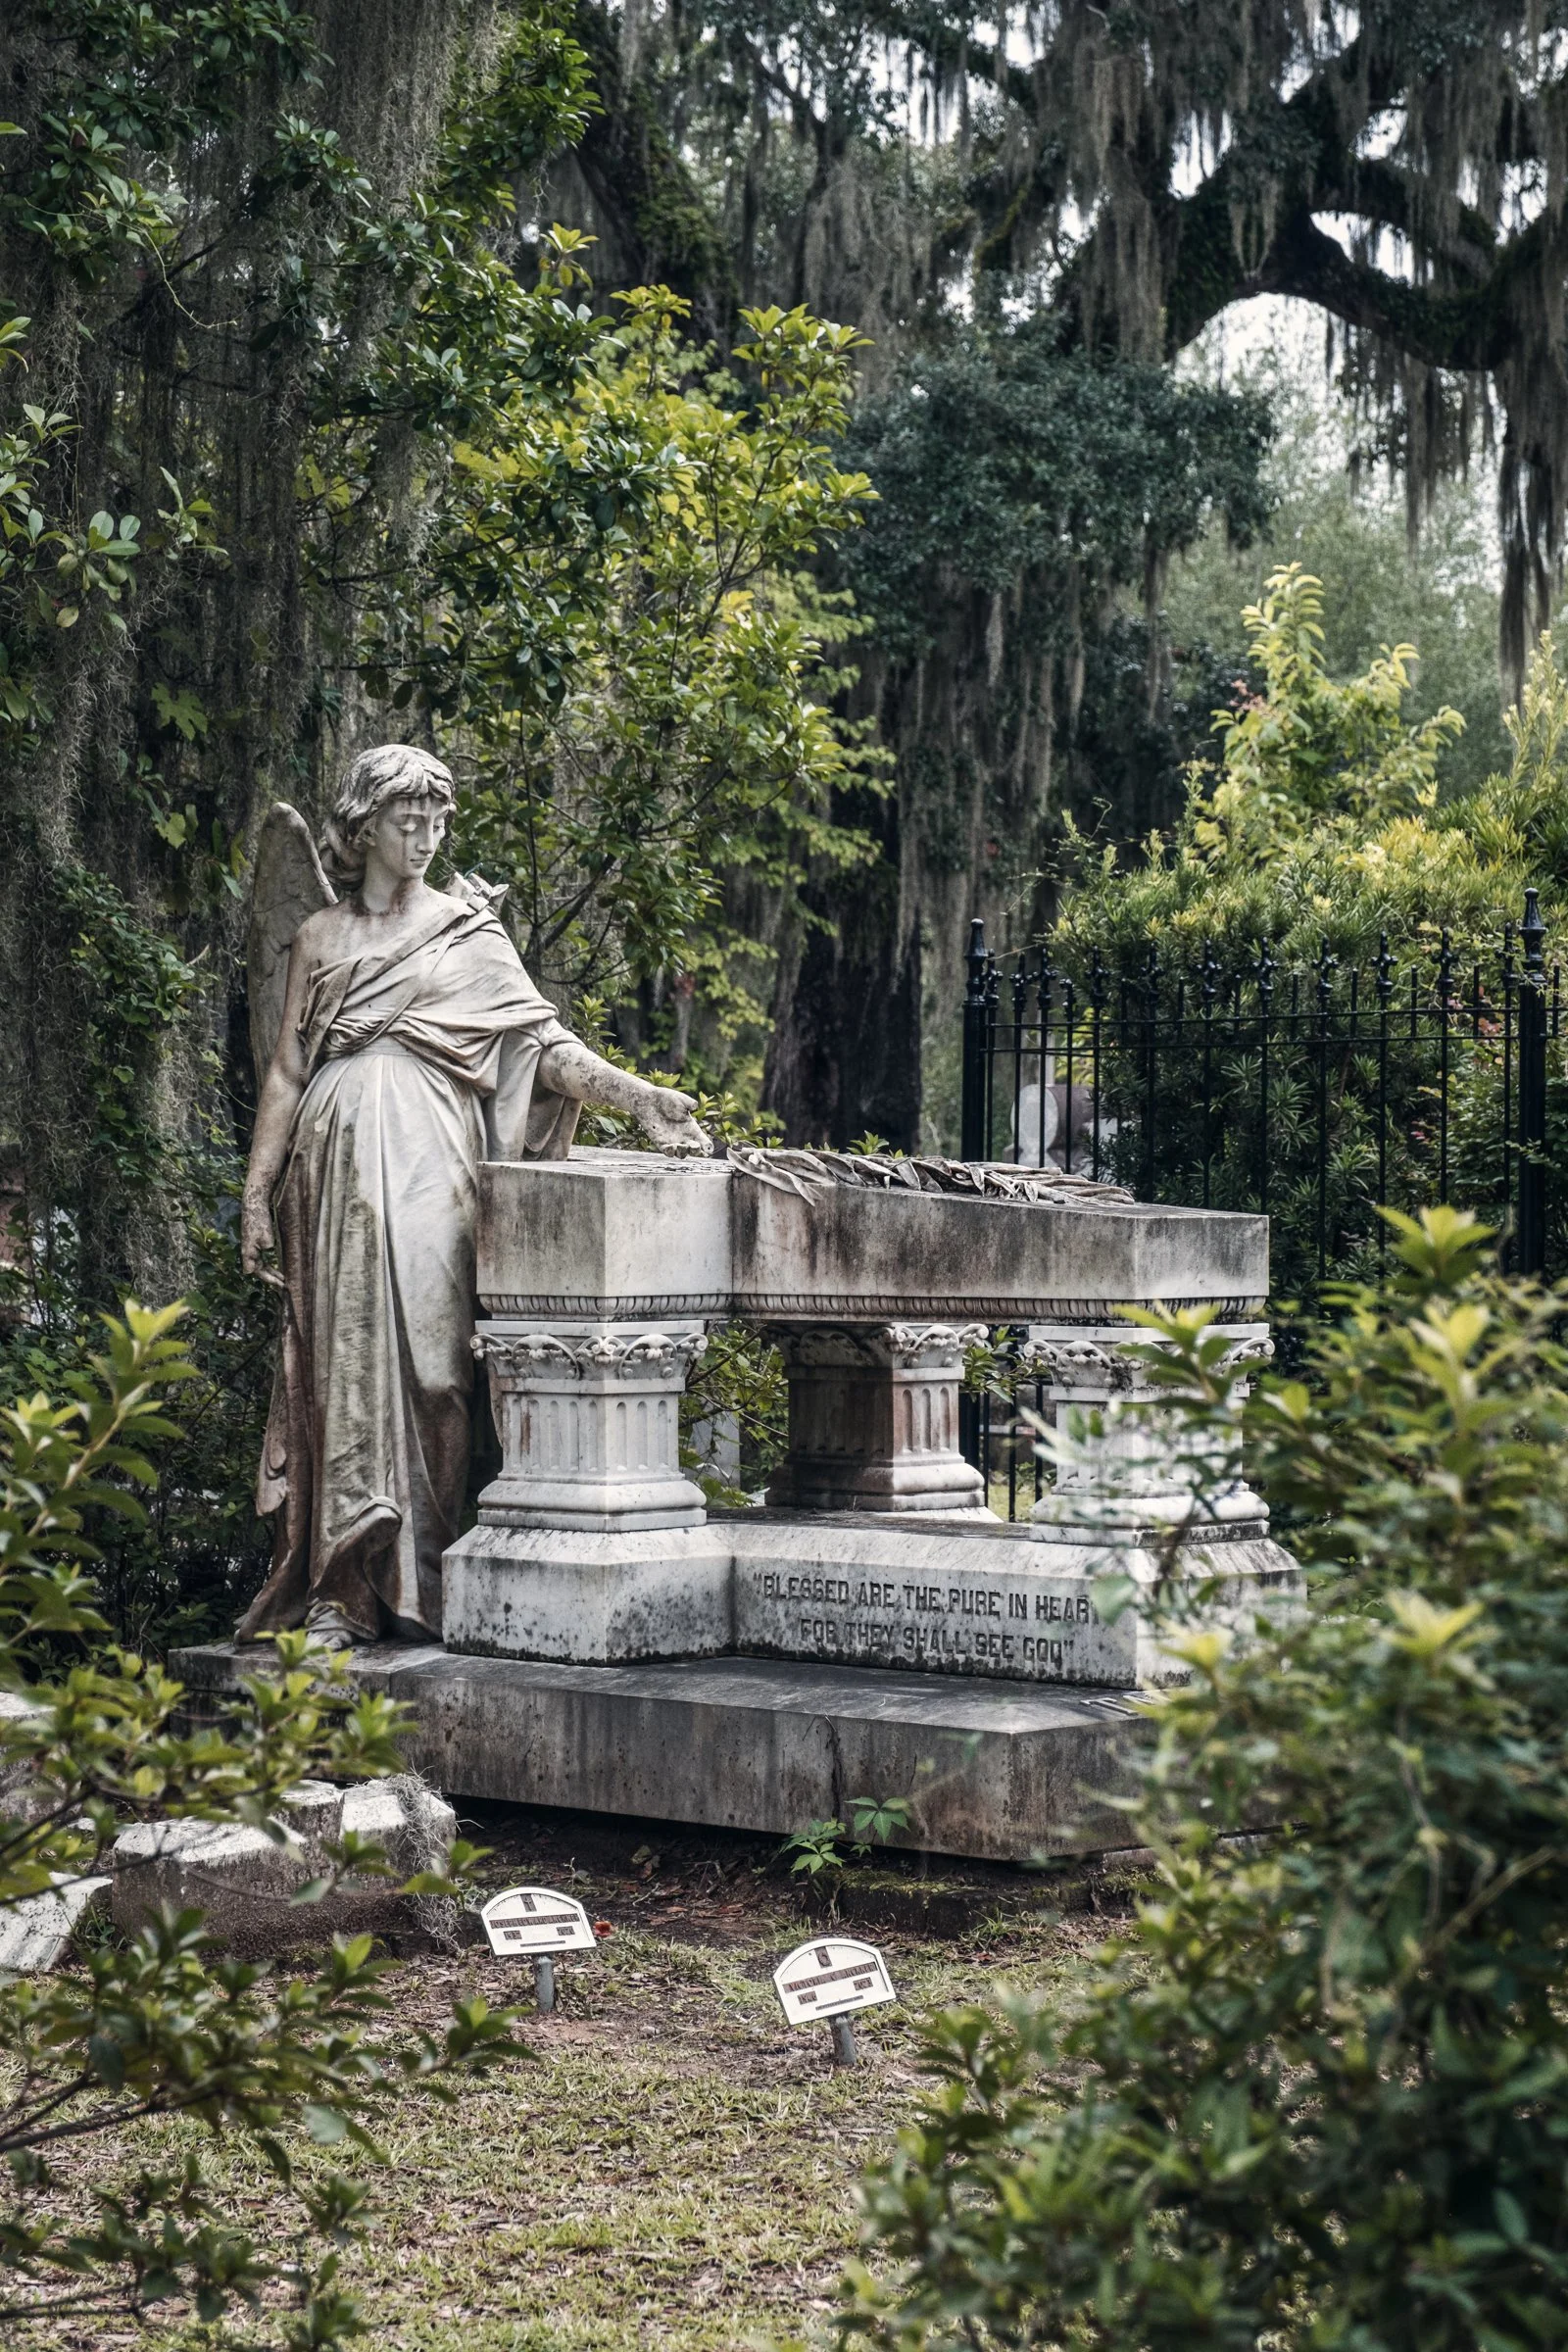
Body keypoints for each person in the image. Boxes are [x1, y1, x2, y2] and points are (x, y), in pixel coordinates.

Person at [237, 743, 709, 1646]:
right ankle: (341, 1592)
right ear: (364, 826)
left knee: (437, 1369)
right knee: (344, 1364)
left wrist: (640, 1096)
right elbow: (289, 1073)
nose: (425, 835)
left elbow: (545, 1044)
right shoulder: (321, 939)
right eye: (407, 819)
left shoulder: (467, 933)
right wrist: (258, 1190)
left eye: (437, 820)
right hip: (331, 1171)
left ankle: (434, 1575)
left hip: (430, 1159)